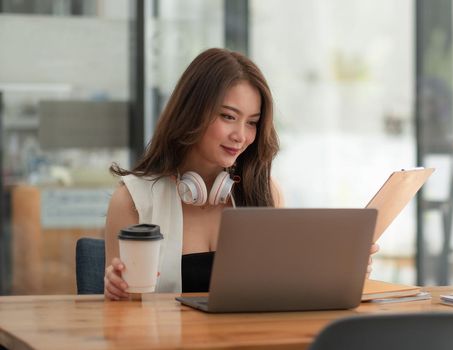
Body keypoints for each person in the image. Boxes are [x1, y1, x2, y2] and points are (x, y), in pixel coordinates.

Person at [103, 48, 379, 300]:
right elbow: (122, 315)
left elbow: (283, 291)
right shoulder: (133, 200)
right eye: (228, 117)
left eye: (252, 123)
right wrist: (116, 290)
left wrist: (342, 273)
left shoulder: (265, 192)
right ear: (191, 112)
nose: (241, 136)